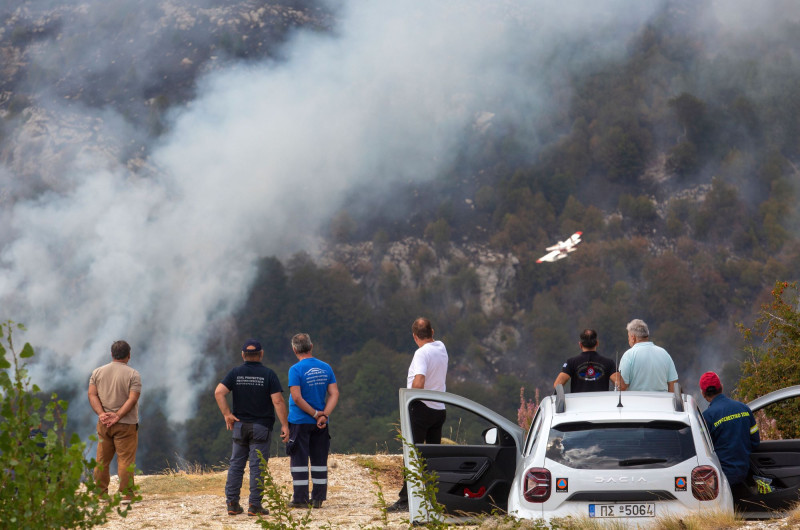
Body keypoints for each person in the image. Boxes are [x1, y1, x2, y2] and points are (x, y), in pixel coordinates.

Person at [215, 339, 289, 517]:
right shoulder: (269, 374)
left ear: (243, 355)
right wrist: (285, 425)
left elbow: (219, 392)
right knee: (257, 467)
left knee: (236, 465)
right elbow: (278, 401)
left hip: (239, 426)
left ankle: (232, 504)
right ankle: (254, 506)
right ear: (261, 354)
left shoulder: (235, 373)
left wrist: (227, 414)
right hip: (261, 427)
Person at [387, 317, 449, 513]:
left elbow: (419, 381)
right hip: (439, 408)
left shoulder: (421, 353)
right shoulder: (441, 347)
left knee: (412, 455)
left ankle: (406, 500)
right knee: (432, 457)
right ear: (432, 332)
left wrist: (412, 400)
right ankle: (432, 497)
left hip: (421, 408)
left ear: (414, 336)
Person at [286, 333, 339, 509]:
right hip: (321, 423)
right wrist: (324, 415)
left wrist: (315, 414)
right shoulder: (326, 367)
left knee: (299, 460)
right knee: (319, 459)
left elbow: (296, 397)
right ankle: (318, 498)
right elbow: (334, 393)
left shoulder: (295, 370)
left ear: (294, 349)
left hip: (300, 421)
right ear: (311, 346)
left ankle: (300, 499)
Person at [88, 340, 141, 502]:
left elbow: (92, 394)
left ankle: (100, 493)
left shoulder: (97, 372)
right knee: (125, 460)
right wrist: (118, 416)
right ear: (129, 355)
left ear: (112, 354)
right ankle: (126, 493)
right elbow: (132, 399)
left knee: (102, 460)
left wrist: (101, 414)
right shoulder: (133, 374)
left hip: (104, 423)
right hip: (126, 424)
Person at [700, 371, 759, 499]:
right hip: (746, 474)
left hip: (723, 480)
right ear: (721, 387)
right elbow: (755, 442)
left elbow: (704, 451)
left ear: (703, 393)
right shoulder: (744, 408)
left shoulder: (706, 417)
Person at [617, 319, 678, 392]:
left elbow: (622, 386)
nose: (628, 339)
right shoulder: (664, 354)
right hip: (661, 399)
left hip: (636, 399)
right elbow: (673, 384)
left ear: (633, 337)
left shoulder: (628, 355)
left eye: (628, 336)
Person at [553, 329, 617, 392]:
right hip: (602, 399)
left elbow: (557, 385)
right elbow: (620, 386)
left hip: (578, 399)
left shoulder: (571, 362)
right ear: (597, 343)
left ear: (580, 344)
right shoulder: (609, 363)